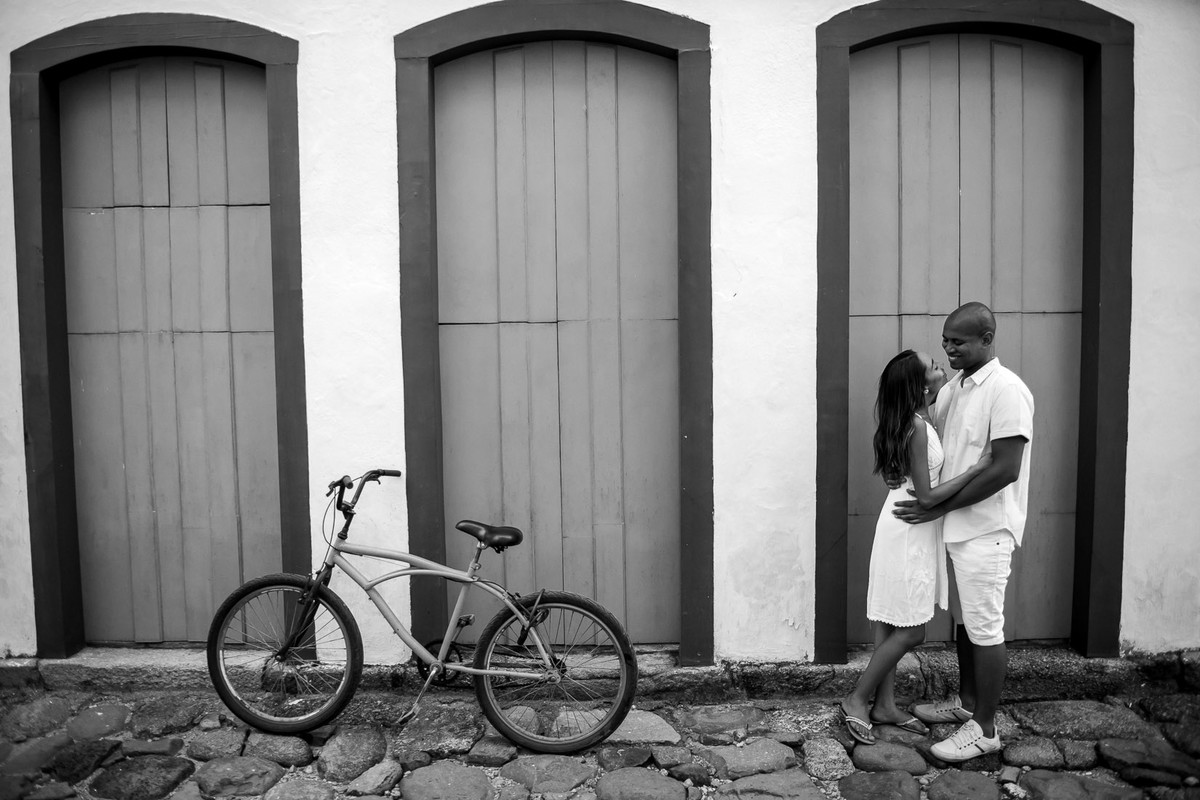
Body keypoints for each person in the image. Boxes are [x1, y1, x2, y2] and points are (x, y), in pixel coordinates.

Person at [892, 301, 1034, 762]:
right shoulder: (957, 386)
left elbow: (1005, 469)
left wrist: (939, 506)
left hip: (987, 529)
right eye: (945, 342)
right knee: (967, 625)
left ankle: (986, 729)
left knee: (986, 628)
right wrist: (933, 383)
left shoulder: (1006, 390)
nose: (949, 348)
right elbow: (933, 435)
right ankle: (968, 705)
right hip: (958, 527)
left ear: (987, 339)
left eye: (959, 341)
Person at [838, 350, 992, 746]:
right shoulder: (918, 427)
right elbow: (925, 495)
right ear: (921, 385)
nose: (943, 368)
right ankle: (856, 699)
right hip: (909, 529)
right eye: (934, 367)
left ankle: (885, 705)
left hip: (901, 524)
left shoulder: (918, 419)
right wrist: (977, 470)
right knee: (912, 632)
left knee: (889, 622)